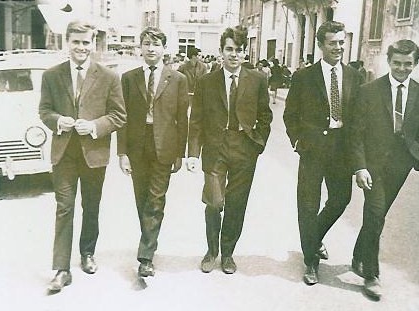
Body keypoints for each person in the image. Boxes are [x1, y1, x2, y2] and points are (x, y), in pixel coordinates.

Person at [39, 20, 126, 293]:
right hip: (64, 154)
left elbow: (119, 116)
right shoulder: (52, 75)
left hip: (94, 154)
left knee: (91, 205)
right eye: (76, 42)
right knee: (64, 208)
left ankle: (87, 253)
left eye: (86, 42)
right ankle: (62, 269)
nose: (81, 47)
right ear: (68, 42)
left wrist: (96, 126)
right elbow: (44, 111)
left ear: (94, 44)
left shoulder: (109, 77)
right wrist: (57, 121)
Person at [187, 25, 272, 274]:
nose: (234, 54)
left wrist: (258, 143)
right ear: (222, 51)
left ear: (246, 53)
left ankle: (227, 254)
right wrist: (193, 153)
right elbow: (197, 120)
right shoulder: (207, 82)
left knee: (236, 203)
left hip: (244, 148)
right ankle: (211, 250)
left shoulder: (257, 79)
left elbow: (265, 116)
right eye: (230, 49)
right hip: (216, 148)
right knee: (214, 201)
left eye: (240, 50)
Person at [283, 21, 362, 286]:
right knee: (307, 205)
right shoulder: (304, 77)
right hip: (313, 150)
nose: (338, 47)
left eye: (341, 42)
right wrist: (297, 142)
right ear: (321, 45)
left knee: (341, 198)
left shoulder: (353, 76)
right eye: (333, 43)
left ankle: (312, 238)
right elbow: (290, 114)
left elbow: (358, 119)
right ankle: (311, 262)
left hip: (341, 151)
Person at [350, 39, 419, 300]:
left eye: (408, 64)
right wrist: (360, 167)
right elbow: (356, 134)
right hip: (372, 167)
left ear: (415, 64)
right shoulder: (370, 90)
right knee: (375, 214)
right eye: (397, 63)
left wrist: (413, 154)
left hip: (399, 168)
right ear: (389, 61)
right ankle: (371, 275)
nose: (402, 69)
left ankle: (358, 255)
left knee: (378, 215)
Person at [117, 27, 188, 278]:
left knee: (156, 200)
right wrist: (122, 153)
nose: (151, 49)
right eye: (146, 43)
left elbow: (182, 118)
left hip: (164, 147)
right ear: (140, 47)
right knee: (142, 199)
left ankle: (145, 257)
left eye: (156, 44)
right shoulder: (128, 78)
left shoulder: (177, 79)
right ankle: (148, 241)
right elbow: (122, 118)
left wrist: (180, 153)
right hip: (137, 146)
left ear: (164, 49)